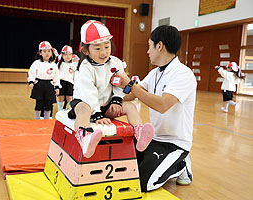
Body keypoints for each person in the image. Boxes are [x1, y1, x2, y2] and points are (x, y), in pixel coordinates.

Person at [116, 25, 197, 191]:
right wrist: (107, 96)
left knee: (144, 183)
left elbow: (162, 105)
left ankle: (182, 164)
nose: (148, 51)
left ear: (159, 46)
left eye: (149, 46)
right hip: (154, 138)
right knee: (124, 170)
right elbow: (133, 94)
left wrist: (130, 83)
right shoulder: (155, 73)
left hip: (175, 143)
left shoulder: (183, 74)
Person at [67, 20, 154, 158]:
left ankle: (139, 133)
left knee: (131, 106)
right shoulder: (85, 67)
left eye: (107, 47)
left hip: (106, 106)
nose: (103, 52)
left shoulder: (115, 62)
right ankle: (85, 138)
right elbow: (87, 92)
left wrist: (117, 100)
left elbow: (120, 84)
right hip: (87, 104)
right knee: (83, 109)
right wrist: (96, 114)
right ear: (85, 50)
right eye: (97, 48)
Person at [28, 41, 60, 120]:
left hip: (49, 85)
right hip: (39, 84)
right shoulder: (36, 63)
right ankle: (37, 118)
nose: (47, 53)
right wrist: (31, 81)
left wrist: (57, 87)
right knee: (39, 102)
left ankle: (47, 119)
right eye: (44, 51)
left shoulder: (53, 65)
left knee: (48, 103)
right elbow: (31, 72)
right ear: (40, 53)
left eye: (49, 51)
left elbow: (56, 76)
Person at [57, 45, 77, 111]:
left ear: (72, 55)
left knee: (69, 98)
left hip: (70, 83)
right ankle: (60, 110)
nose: (68, 56)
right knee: (61, 98)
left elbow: (75, 76)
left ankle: (70, 110)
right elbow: (56, 75)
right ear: (62, 55)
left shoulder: (73, 65)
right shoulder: (59, 65)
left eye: (69, 54)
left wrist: (75, 85)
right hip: (61, 83)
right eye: (65, 54)